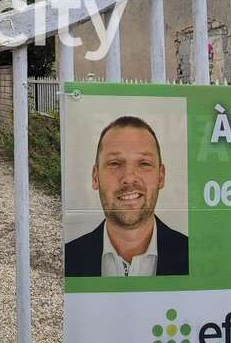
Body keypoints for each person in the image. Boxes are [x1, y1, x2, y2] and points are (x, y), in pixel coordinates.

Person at [65, 115, 189, 277]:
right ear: (95, 177)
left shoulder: (194, 256)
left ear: (161, 176)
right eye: (115, 163)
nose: (129, 178)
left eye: (144, 163)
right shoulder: (66, 259)